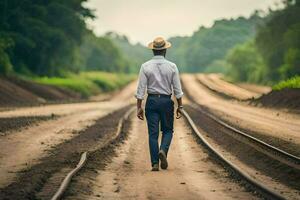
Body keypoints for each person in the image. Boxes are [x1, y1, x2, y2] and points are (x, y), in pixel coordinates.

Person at [135, 36, 184, 171]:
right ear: (165, 51)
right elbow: (177, 90)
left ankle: (155, 163)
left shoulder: (145, 66)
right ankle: (163, 150)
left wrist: (139, 107)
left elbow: (140, 89)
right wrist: (180, 106)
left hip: (151, 101)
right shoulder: (172, 66)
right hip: (166, 101)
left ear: (153, 51)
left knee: (153, 134)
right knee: (167, 130)